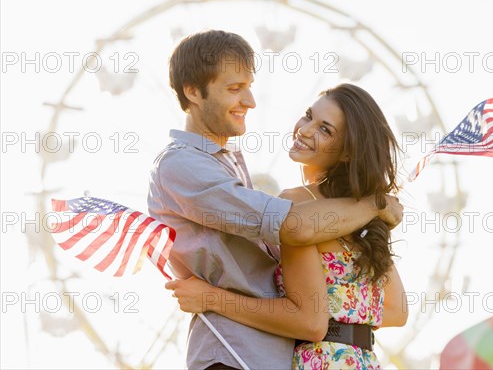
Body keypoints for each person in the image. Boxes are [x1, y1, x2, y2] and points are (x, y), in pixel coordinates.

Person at [148, 30, 404, 370]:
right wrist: (376, 204)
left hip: (270, 355)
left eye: (326, 129)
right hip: (233, 352)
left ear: (346, 152)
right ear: (193, 91)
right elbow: (291, 227)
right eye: (234, 89)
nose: (251, 101)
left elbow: (392, 311)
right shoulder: (183, 165)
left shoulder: (231, 164)